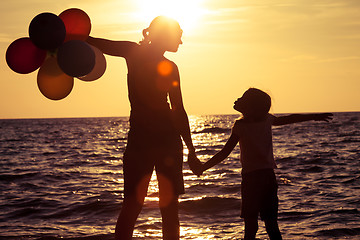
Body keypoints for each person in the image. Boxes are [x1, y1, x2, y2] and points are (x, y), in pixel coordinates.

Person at [87, 16, 201, 240]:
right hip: (162, 140)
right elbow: (178, 110)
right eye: (178, 35)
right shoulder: (159, 62)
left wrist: (191, 150)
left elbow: (98, 42)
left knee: (133, 205)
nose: (181, 41)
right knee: (165, 209)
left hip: (144, 138)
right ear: (165, 35)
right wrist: (191, 150)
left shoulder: (137, 54)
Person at [199, 88, 333, 240]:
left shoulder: (241, 126)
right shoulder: (266, 120)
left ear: (250, 107)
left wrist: (203, 167)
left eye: (243, 98)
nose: (237, 99)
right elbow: (291, 118)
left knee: (251, 226)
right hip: (268, 177)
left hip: (251, 180)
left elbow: (224, 152)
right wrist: (314, 117)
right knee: (271, 225)